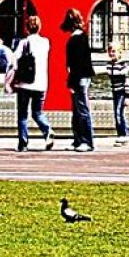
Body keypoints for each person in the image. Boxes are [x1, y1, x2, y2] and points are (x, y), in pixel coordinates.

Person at [8, 14, 53, 152]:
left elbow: (14, 60)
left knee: (22, 114)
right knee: (37, 112)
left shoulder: (24, 42)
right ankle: (47, 130)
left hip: (25, 84)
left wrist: (11, 77)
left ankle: (23, 143)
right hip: (41, 83)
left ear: (27, 28)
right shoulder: (46, 42)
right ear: (39, 27)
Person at [61, 8, 96, 151]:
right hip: (83, 76)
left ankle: (86, 141)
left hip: (79, 77)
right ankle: (79, 140)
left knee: (81, 110)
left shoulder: (75, 39)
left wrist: (71, 81)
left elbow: (76, 64)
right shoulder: (82, 37)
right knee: (78, 110)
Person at [106, 44, 129, 145]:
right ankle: (120, 135)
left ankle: (123, 135)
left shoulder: (122, 65)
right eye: (110, 51)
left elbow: (126, 80)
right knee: (117, 114)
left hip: (121, 92)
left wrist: (127, 96)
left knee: (119, 113)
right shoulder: (109, 64)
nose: (111, 53)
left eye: (114, 51)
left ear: (119, 52)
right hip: (115, 92)